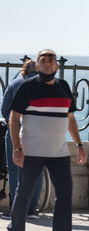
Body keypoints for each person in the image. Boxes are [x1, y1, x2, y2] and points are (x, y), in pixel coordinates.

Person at [6, 49, 87, 231]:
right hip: (31, 150)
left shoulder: (64, 87)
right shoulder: (27, 87)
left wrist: (79, 145)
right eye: (43, 61)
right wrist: (17, 148)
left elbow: (70, 119)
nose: (48, 64)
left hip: (58, 152)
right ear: (37, 65)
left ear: (57, 66)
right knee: (24, 191)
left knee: (65, 193)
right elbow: (13, 119)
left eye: (51, 61)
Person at [1, 60, 43, 220]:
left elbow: (5, 109)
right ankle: (32, 208)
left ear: (23, 71)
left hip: (16, 129)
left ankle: (16, 208)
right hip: (38, 131)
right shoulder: (42, 85)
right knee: (36, 170)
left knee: (14, 169)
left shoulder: (14, 83)